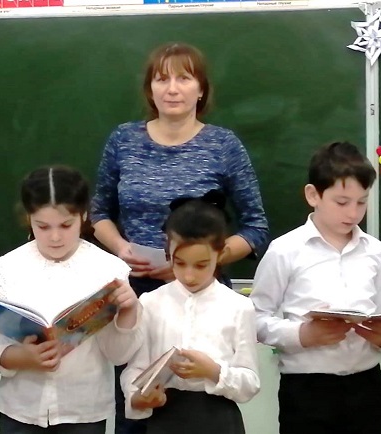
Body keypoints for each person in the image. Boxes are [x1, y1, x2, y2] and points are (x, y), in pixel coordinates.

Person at [90, 42, 268, 434]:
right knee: (136, 398)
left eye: (184, 78)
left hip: (203, 291)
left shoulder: (223, 145)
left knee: (199, 401)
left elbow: (256, 227)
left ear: (201, 89)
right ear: (149, 89)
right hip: (134, 293)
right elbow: (98, 212)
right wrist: (120, 248)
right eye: (162, 79)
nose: (172, 88)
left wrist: (195, 263)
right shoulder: (123, 139)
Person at [0, 165, 143, 434]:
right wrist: (19, 357)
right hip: (21, 411)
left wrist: (128, 311)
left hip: (83, 413)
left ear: (83, 216)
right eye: (42, 226)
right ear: (29, 218)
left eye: (66, 225)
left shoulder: (109, 271)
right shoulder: (5, 270)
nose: (55, 237)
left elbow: (119, 354)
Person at [250, 141, 381, 434]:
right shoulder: (285, 250)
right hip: (307, 390)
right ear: (313, 195)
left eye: (362, 202)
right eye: (342, 202)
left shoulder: (375, 251)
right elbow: (255, 318)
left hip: (367, 386)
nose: (353, 213)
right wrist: (302, 334)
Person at [121, 190, 259, 434]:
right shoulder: (151, 302)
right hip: (165, 418)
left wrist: (214, 371)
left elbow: (250, 382)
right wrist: (137, 397)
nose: (189, 275)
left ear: (220, 254)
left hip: (219, 420)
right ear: (168, 252)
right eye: (179, 263)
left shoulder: (238, 307)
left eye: (201, 265)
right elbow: (136, 367)